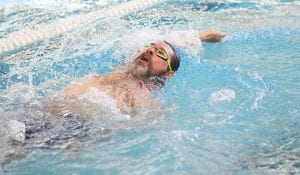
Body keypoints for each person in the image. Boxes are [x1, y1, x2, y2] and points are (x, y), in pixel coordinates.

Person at [49, 30, 226, 117]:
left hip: (76, 130)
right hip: (46, 109)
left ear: (168, 73)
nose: (150, 51)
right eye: (150, 47)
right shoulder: (125, 68)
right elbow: (171, 39)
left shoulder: (147, 101)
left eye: (161, 54)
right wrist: (200, 36)